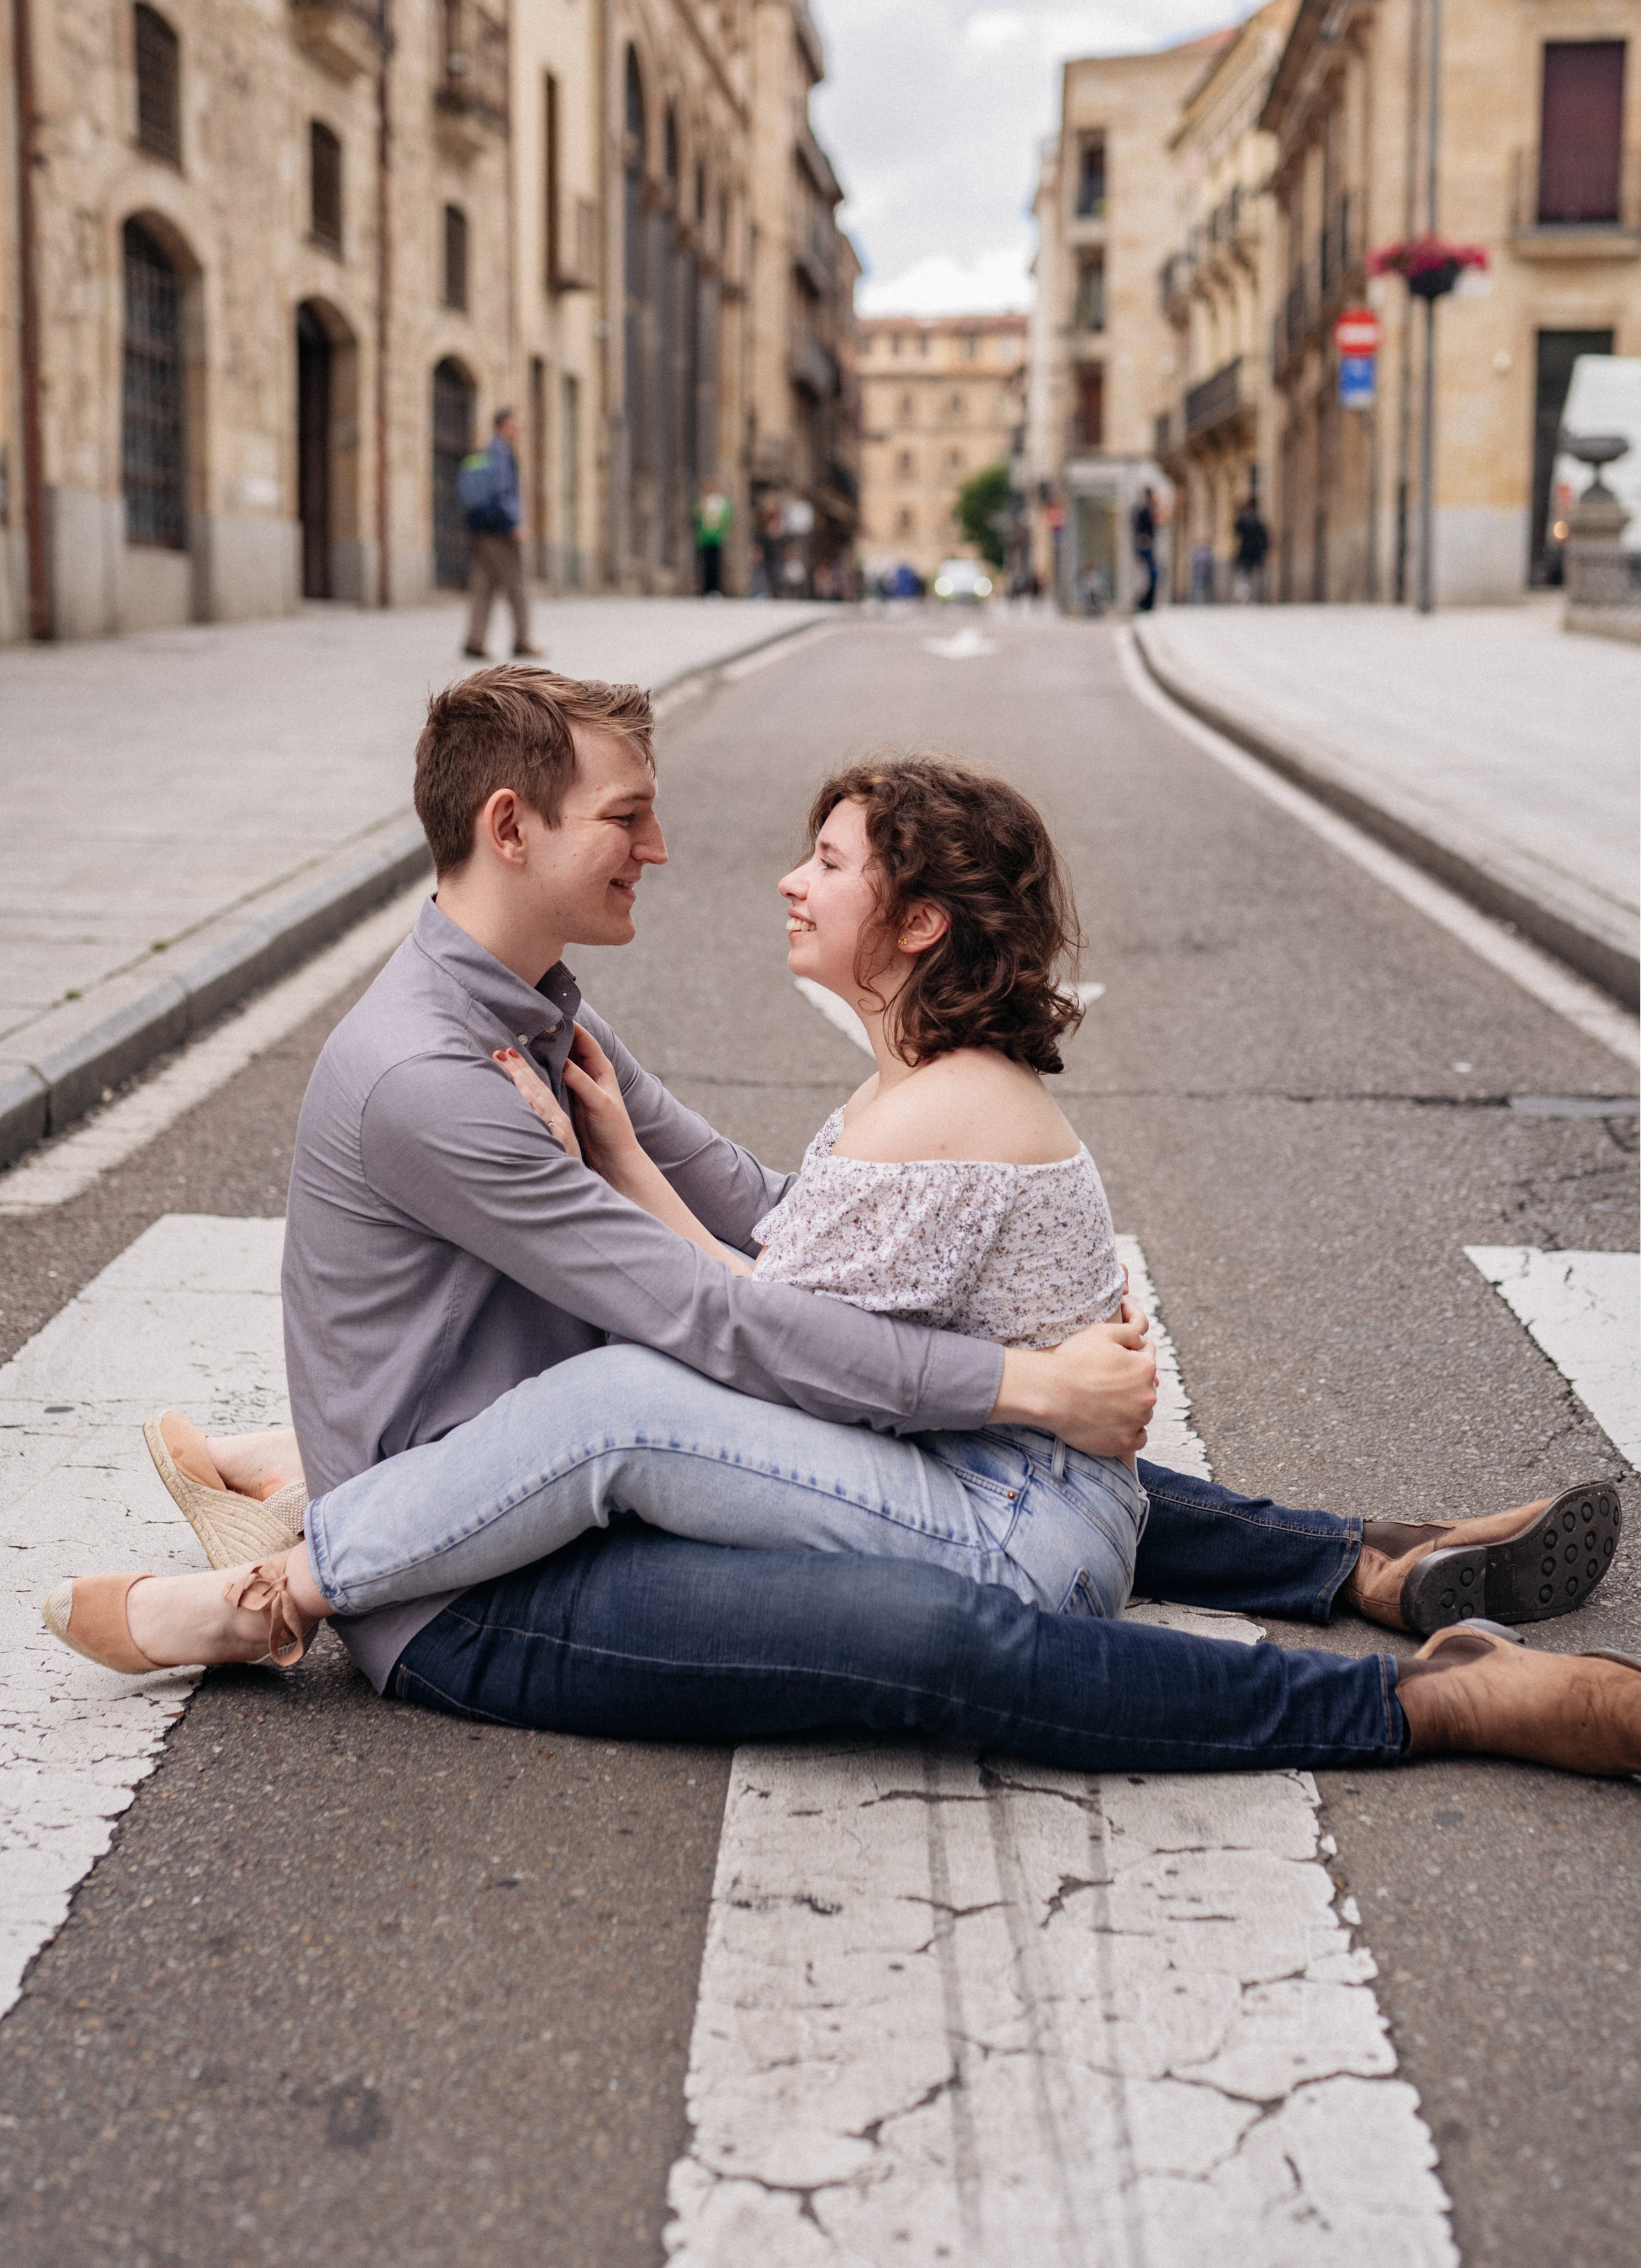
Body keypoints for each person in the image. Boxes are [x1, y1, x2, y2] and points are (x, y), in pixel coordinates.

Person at [46, 669, 1638, 1780]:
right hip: (474, 1582)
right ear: (514, 825)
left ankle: (1357, 1562)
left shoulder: (540, 1021)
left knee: (951, 1447)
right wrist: (1024, 1386)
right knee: (937, 1632)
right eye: (631, 817)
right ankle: (1433, 1705)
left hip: (588, 1483)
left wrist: (1009, 1390)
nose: (667, 850)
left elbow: (765, 1218)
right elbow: (726, 1325)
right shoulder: (431, 1077)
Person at [460, 408, 542, 661]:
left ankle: (475, 640)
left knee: (483, 586)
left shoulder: (484, 452)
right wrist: (514, 524)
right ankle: (522, 641)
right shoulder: (502, 452)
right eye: (516, 427)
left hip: (483, 530)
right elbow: (502, 492)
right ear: (504, 426)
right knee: (518, 586)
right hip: (502, 532)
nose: (519, 432)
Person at [693, 479, 733, 596]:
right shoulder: (702, 502)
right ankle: (705, 589)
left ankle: (715, 589)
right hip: (705, 538)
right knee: (705, 565)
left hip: (717, 538)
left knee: (716, 565)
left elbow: (728, 517)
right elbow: (696, 516)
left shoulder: (722, 503)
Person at [1233, 494, 1270, 603]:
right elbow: (1264, 536)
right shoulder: (1258, 520)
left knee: (1245, 575)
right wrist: (1266, 548)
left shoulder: (1243, 519)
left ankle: (1245, 596)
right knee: (1255, 576)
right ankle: (1254, 597)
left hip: (1245, 551)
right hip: (1256, 551)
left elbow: (1236, 531)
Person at [1131, 487, 1160, 613]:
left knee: (1151, 574)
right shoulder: (1146, 509)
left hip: (1144, 544)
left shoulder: (1142, 509)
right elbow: (1160, 518)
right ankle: (1144, 603)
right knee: (1151, 575)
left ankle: (1145, 603)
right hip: (1145, 544)